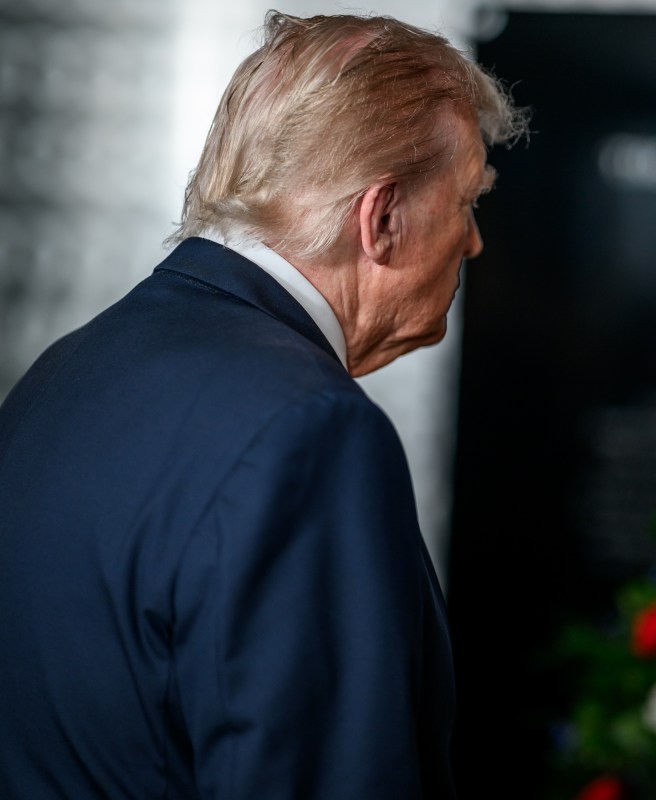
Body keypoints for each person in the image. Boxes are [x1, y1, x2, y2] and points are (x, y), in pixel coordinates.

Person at [0, 11, 525, 799]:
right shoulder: (311, 430)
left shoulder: (64, 371)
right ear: (381, 219)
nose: (474, 244)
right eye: (467, 202)